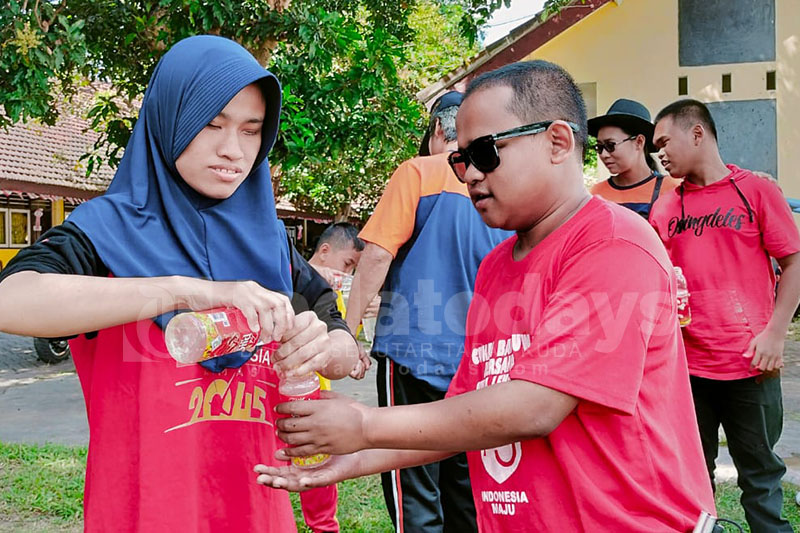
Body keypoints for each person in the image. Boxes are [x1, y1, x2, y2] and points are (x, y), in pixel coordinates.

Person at [256, 60, 716, 532]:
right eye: (461, 160)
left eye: (486, 153)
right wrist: (351, 460)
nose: (470, 174)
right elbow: (465, 414)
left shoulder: (613, 243)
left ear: (558, 142)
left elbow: (535, 406)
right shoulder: (498, 266)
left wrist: (365, 425)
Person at [0, 35, 358, 532]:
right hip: (145, 511)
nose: (233, 150)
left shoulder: (269, 241)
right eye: (212, 124)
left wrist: (326, 348)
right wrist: (188, 290)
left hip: (258, 511)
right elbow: (11, 300)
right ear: (170, 118)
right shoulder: (108, 231)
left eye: (251, 131)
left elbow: (339, 340)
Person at [342, 90, 510, 532]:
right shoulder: (502, 186)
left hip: (415, 355)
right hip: (481, 365)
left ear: (437, 129)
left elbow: (376, 256)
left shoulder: (418, 172)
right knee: (467, 490)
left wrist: (347, 329)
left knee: (413, 487)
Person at [649, 99, 800, 533]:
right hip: (686, 369)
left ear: (697, 134)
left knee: (761, 476)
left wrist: (775, 335)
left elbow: (793, 262)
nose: (660, 153)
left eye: (665, 142)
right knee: (693, 480)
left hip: (752, 363)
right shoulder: (665, 206)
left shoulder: (756, 190)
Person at [588, 98, 681, 219]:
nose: (604, 154)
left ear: (639, 142)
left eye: (610, 145)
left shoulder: (673, 190)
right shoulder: (596, 194)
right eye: (599, 147)